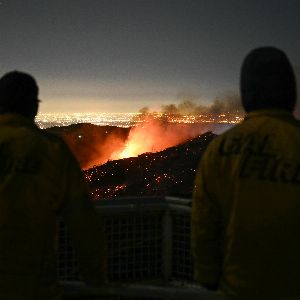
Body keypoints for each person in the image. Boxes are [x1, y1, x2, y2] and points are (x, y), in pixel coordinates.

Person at [192, 47, 300, 300]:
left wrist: (208, 277)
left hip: (238, 289)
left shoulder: (220, 150)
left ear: (247, 92)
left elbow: (204, 223)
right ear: (290, 91)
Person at [0, 71, 106, 300]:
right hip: (32, 287)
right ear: (34, 107)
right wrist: (96, 278)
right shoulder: (51, 151)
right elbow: (82, 221)